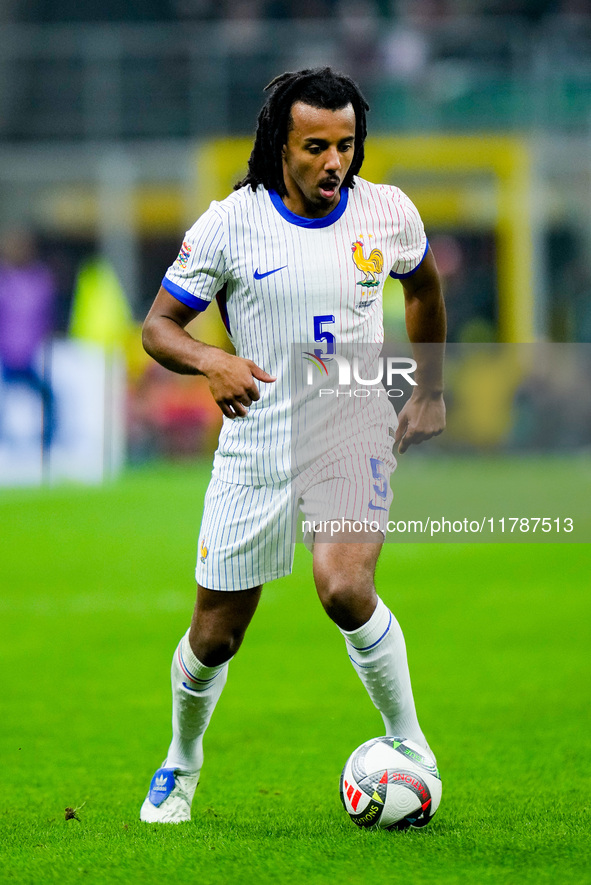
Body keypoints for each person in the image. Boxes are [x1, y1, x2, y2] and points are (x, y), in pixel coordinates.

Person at [139, 67, 446, 824]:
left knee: (343, 587)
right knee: (214, 636)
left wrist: (431, 388)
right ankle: (180, 761)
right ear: (280, 143)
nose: (333, 162)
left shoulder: (386, 212)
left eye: (345, 145)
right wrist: (213, 360)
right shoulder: (229, 224)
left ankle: (410, 746)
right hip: (256, 444)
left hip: (351, 423)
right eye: (315, 146)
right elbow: (158, 328)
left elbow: (424, 289)